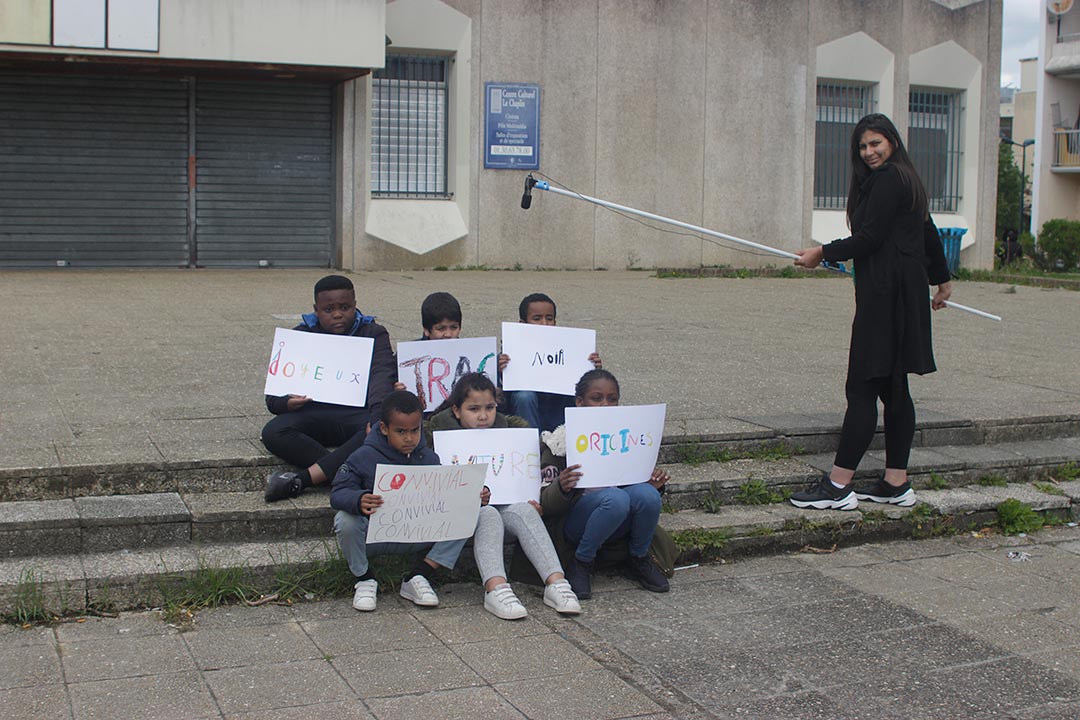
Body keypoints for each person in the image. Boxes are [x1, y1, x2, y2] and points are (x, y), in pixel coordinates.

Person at [790, 113, 952, 511]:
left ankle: (839, 485)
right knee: (894, 388)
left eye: (876, 143)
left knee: (862, 386)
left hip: (886, 298)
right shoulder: (906, 179)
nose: (869, 152)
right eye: (863, 147)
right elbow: (927, 231)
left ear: (892, 142)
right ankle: (896, 482)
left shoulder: (887, 180)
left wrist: (822, 253)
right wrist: (942, 278)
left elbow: (870, 237)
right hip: (904, 296)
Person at [425, 373, 582, 620]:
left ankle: (556, 582)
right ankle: (496, 588)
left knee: (524, 510)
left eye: (489, 407)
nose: (483, 416)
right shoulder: (438, 437)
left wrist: (534, 494)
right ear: (456, 410)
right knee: (487, 514)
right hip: (462, 520)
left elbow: (527, 469)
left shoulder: (511, 431)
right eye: (473, 409)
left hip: (505, 509)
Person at [537, 369, 676, 600]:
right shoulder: (559, 442)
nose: (605, 404)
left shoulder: (625, 436)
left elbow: (637, 489)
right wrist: (561, 486)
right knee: (615, 499)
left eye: (612, 399)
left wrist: (653, 483)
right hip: (577, 522)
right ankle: (582, 562)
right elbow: (546, 503)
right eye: (597, 398)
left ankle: (639, 557)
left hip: (619, 519)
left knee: (647, 495)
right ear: (580, 403)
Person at [330, 390, 470, 611]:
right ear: (384, 428)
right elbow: (338, 492)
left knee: (471, 512)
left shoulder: (429, 458)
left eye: (415, 430)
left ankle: (419, 575)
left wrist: (474, 495)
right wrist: (358, 499)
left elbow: (447, 495)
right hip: (375, 536)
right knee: (345, 519)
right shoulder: (363, 456)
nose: (409, 438)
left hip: (419, 534)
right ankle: (364, 578)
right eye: (401, 431)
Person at [263, 275, 397, 502]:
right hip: (315, 412)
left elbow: (381, 379)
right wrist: (286, 401)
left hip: (357, 413)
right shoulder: (301, 335)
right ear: (316, 310)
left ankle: (302, 480)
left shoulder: (374, 333)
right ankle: (343, 475)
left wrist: (376, 419)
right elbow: (272, 400)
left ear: (355, 305)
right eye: (328, 309)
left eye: (345, 307)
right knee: (273, 432)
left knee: (379, 430)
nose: (337, 314)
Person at [498, 293, 602, 433]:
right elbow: (499, 400)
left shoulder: (570, 348)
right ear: (522, 324)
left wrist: (592, 371)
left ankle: (569, 440)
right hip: (524, 418)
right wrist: (500, 372)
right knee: (524, 395)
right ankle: (533, 447)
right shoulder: (509, 354)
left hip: (559, 417)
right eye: (537, 318)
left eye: (549, 318)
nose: (544, 323)